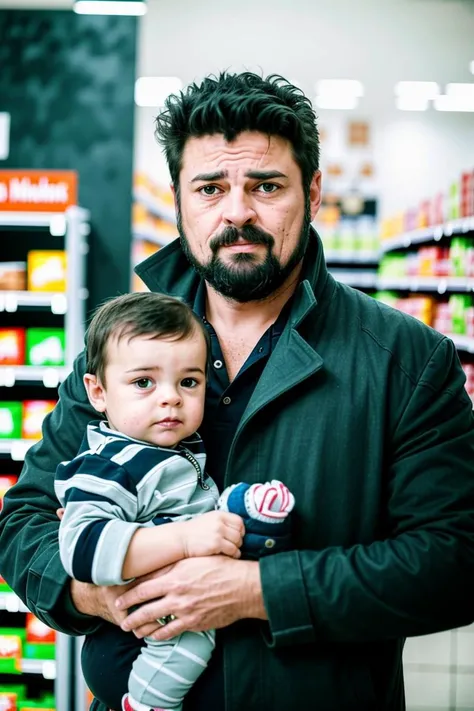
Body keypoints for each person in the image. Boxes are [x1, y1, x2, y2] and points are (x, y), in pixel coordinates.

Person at [0, 71, 474, 711]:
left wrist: (256, 591)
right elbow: (22, 523)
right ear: (178, 198)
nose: (237, 212)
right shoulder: (120, 353)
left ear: (312, 191)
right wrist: (97, 592)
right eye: (210, 187)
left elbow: (452, 562)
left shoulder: (407, 361)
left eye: (266, 186)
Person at [54, 291, 295, 711]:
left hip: (193, 585)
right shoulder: (108, 465)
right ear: (97, 393)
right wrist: (186, 539)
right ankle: (148, 704)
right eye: (143, 382)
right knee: (189, 647)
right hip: (150, 612)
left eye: (189, 381)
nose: (171, 398)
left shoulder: (174, 448)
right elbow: (83, 549)